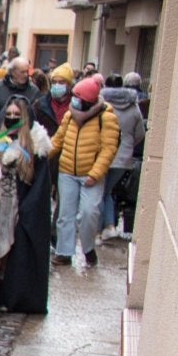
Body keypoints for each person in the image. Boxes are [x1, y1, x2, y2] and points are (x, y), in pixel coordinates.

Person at [0, 97, 53, 313]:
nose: (12, 118)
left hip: (19, 206)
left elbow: (40, 186)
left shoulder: (35, 147)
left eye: (18, 115)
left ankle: (12, 295)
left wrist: (26, 211)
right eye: (10, 114)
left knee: (15, 255)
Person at [49, 74, 119, 267]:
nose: (74, 100)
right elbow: (58, 140)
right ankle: (64, 252)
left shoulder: (106, 117)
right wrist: (40, 153)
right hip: (67, 171)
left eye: (78, 98)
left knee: (90, 213)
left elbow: (109, 149)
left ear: (89, 101)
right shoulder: (70, 115)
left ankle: (88, 249)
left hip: (91, 175)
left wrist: (95, 174)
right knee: (65, 215)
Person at [99, 76, 146, 240]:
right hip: (124, 158)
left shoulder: (102, 105)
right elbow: (140, 133)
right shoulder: (134, 108)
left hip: (103, 154)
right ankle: (108, 225)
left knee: (101, 192)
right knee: (107, 191)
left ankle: (105, 226)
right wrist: (128, 146)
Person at [0, 57, 41, 127]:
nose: (26, 75)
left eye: (27, 71)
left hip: (24, 133)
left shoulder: (34, 91)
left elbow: (36, 116)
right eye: (22, 72)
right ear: (13, 72)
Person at [33, 63, 73, 137]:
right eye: (54, 82)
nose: (57, 85)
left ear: (69, 85)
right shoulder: (40, 104)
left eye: (61, 82)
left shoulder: (75, 105)